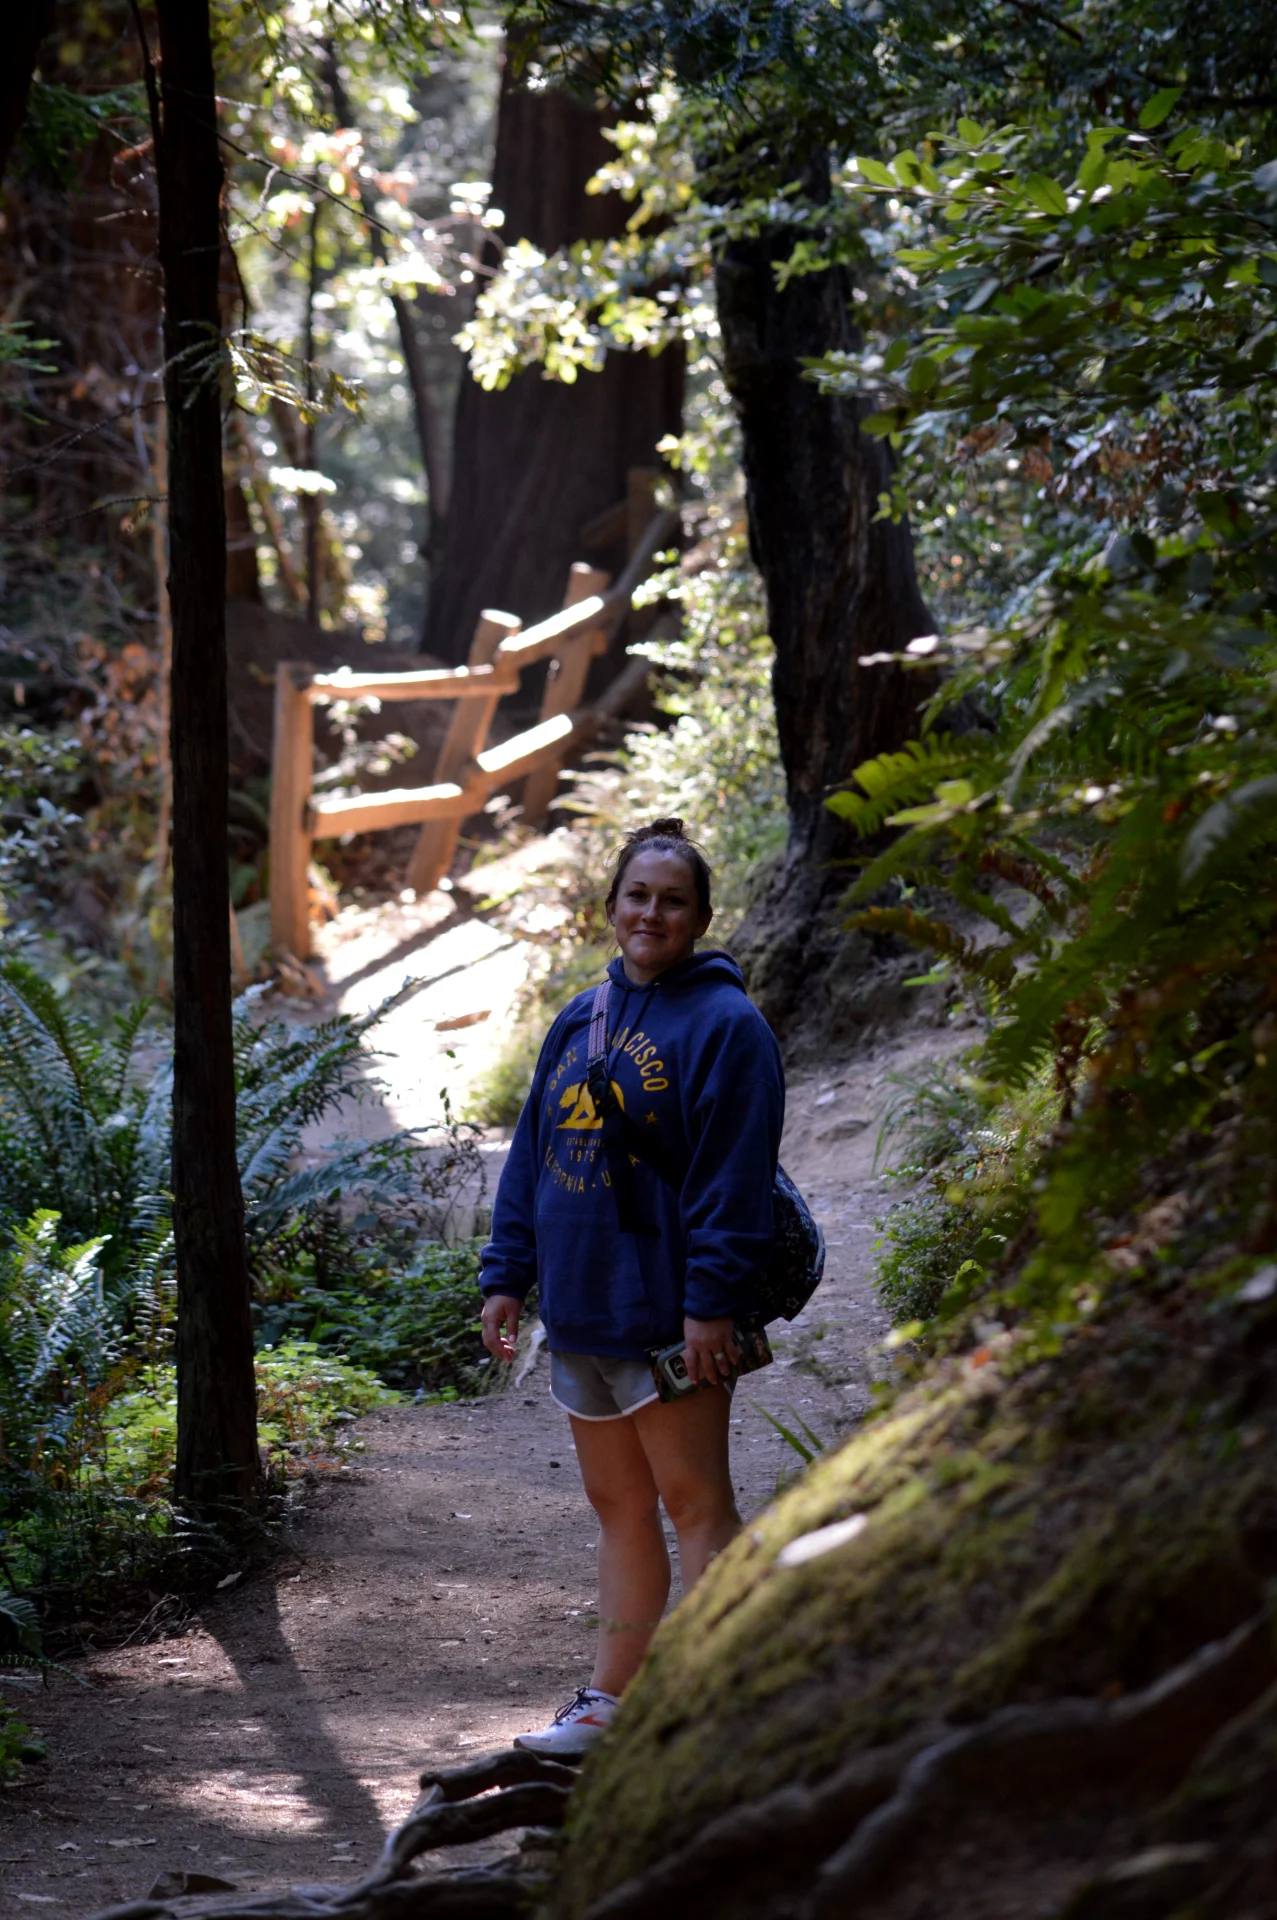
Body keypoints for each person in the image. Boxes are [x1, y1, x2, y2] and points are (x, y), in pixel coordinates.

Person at [479, 817, 784, 1756]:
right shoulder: (580, 1017)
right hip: (580, 1307)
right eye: (638, 896)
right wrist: (507, 1274)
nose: (652, 913)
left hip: (668, 1316)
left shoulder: (727, 1027)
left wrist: (710, 1304)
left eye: (672, 900)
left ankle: (723, 1705)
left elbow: (734, 1181)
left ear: (700, 917)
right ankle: (610, 1704)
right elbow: (532, 1153)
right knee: (618, 1509)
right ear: (611, 906)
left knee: (696, 1505)